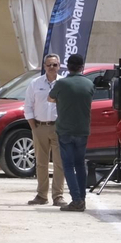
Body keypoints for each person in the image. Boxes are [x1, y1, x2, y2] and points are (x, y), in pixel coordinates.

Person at [49, 53, 94, 212]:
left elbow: (50, 98)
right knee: (80, 165)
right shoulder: (89, 84)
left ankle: (76, 200)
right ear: (82, 66)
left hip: (65, 130)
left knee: (68, 165)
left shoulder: (62, 84)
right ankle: (82, 198)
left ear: (67, 67)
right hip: (82, 130)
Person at [23, 54, 64, 205]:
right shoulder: (35, 83)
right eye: (49, 65)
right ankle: (41, 195)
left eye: (55, 65)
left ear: (59, 66)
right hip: (40, 126)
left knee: (60, 163)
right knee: (41, 163)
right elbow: (27, 105)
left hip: (58, 127)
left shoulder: (63, 83)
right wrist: (33, 126)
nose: (52, 67)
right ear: (44, 67)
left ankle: (58, 196)